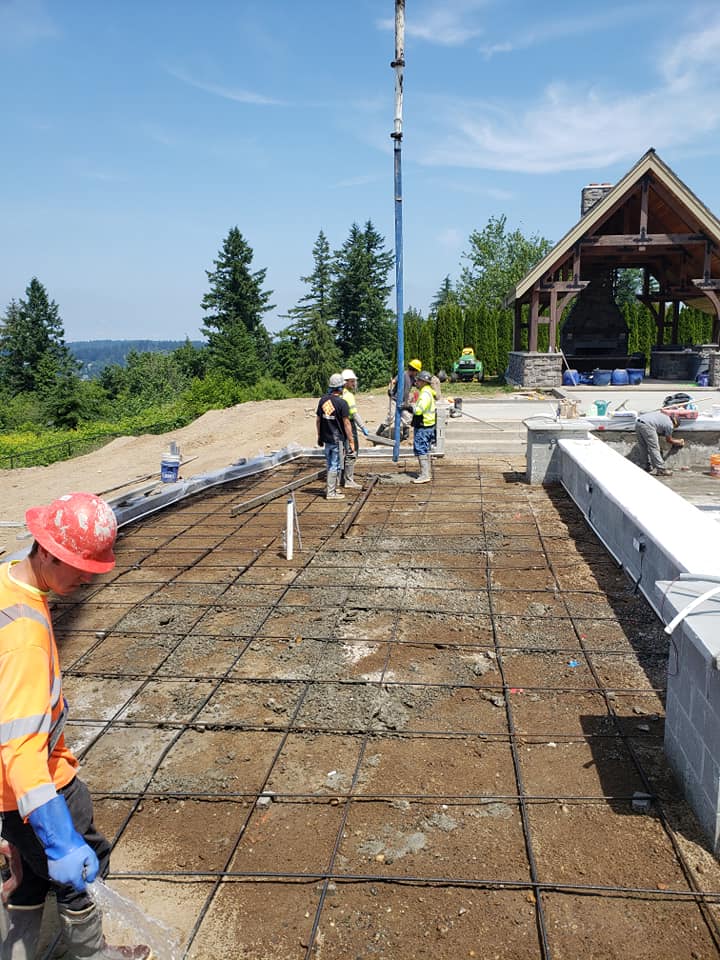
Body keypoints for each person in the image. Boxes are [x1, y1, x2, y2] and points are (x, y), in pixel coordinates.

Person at [0, 492, 152, 960]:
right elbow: (22, 750)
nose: (88, 577)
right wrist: (60, 839)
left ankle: (16, 950)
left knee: (29, 872)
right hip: (37, 786)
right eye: (79, 566)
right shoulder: (25, 638)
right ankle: (91, 954)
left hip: (6, 794)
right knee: (80, 870)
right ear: (46, 551)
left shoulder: (8, 582)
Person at [316, 374, 354, 500]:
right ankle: (331, 493)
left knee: (330, 464)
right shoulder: (342, 403)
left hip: (326, 438)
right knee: (335, 464)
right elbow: (347, 423)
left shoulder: (323, 400)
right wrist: (351, 440)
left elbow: (318, 420)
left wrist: (319, 436)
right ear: (341, 387)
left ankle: (332, 488)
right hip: (337, 439)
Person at [402, 369, 436, 484]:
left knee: (421, 448)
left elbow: (419, 410)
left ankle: (425, 475)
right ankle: (426, 473)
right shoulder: (428, 392)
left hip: (423, 425)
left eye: (419, 380)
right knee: (425, 448)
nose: (417, 382)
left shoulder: (425, 394)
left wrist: (408, 407)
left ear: (424, 382)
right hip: (428, 425)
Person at [377, 359, 422, 440]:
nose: (417, 373)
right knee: (391, 417)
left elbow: (417, 385)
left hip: (404, 401)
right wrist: (389, 390)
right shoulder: (402, 374)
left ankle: (405, 435)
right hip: (395, 399)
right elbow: (392, 382)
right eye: (417, 371)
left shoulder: (413, 378)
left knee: (407, 417)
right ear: (413, 369)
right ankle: (379, 432)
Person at [341, 369, 370, 490]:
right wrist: (363, 427)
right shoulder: (348, 396)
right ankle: (348, 480)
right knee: (352, 451)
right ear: (345, 382)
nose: (354, 384)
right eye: (352, 381)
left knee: (344, 451)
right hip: (349, 424)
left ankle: (342, 478)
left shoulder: (339, 393)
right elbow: (354, 414)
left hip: (339, 425)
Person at [635, 410, 684, 476]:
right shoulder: (670, 425)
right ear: (675, 424)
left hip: (638, 422)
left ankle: (645, 466)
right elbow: (669, 440)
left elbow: (658, 426)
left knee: (643, 446)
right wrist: (679, 442)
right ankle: (661, 469)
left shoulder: (664, 417)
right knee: (654, 448)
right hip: (648, 425)